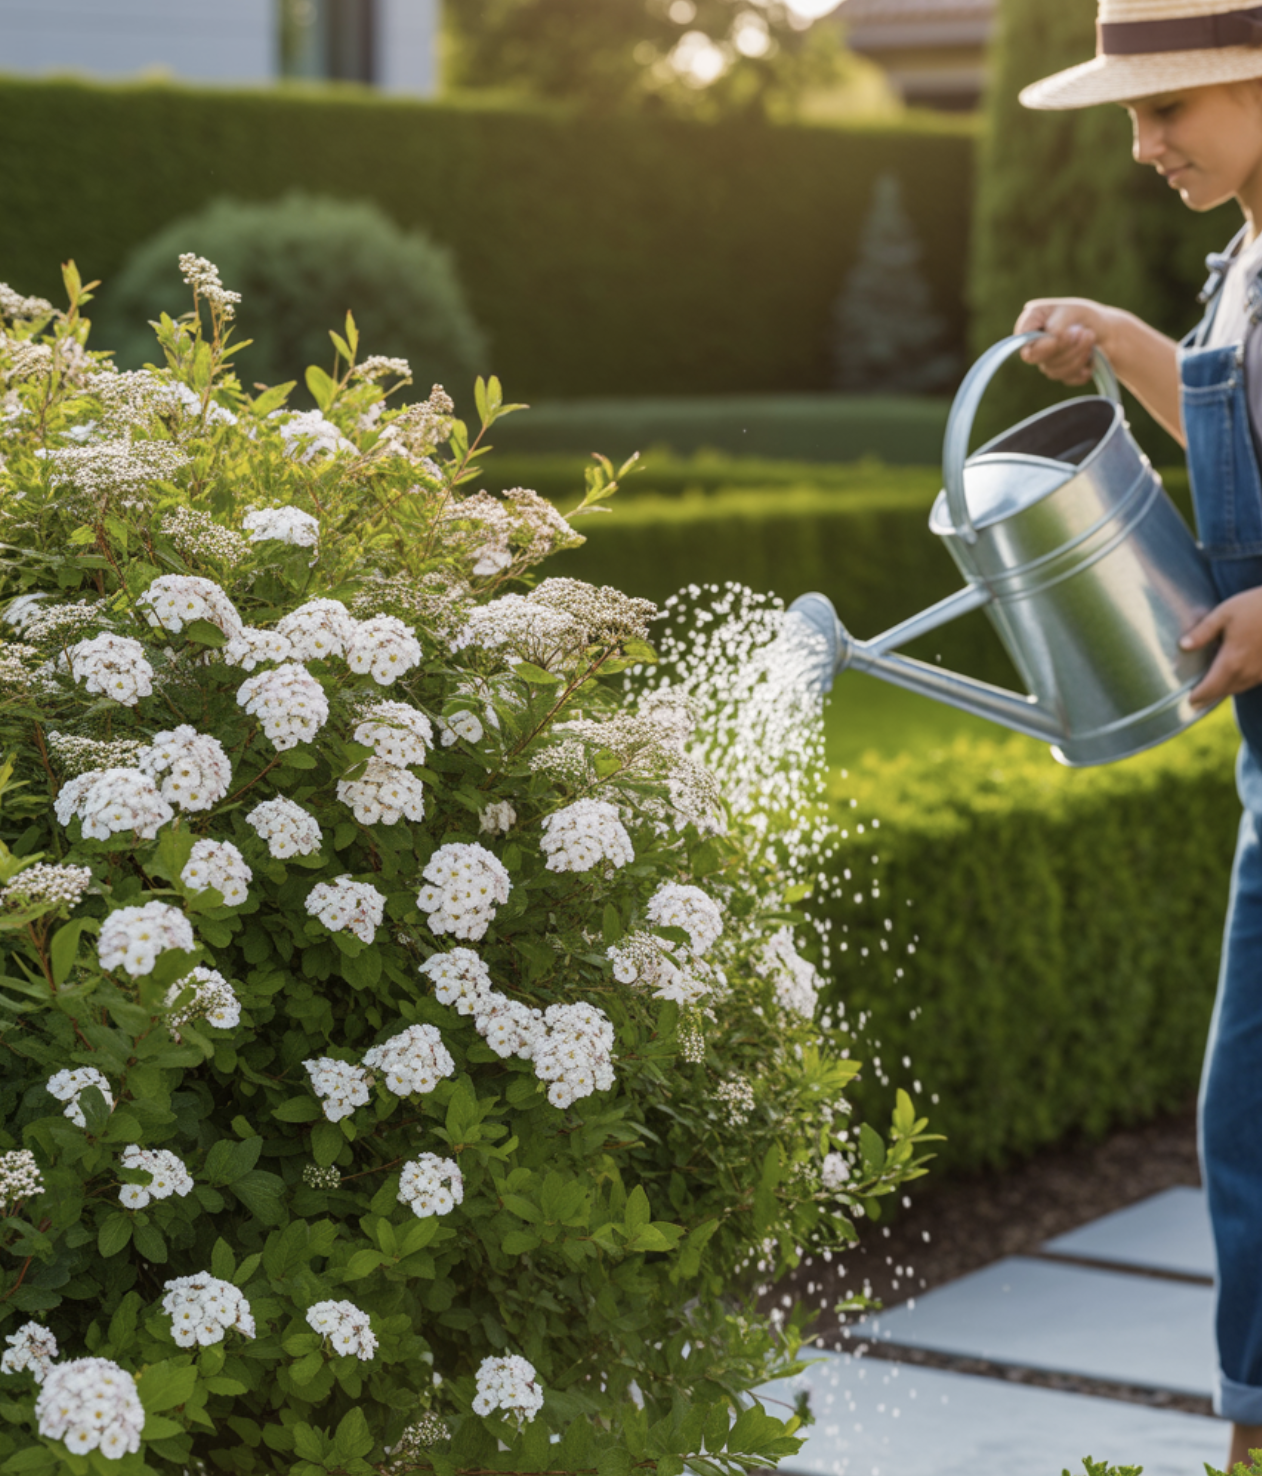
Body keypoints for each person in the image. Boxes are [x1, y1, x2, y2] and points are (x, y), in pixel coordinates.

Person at [1016, 3, 1262, 1466]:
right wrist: (1124, 343)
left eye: (1163, 106)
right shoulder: (1241, 257)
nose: (1138, 143)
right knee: (1247, 1118)